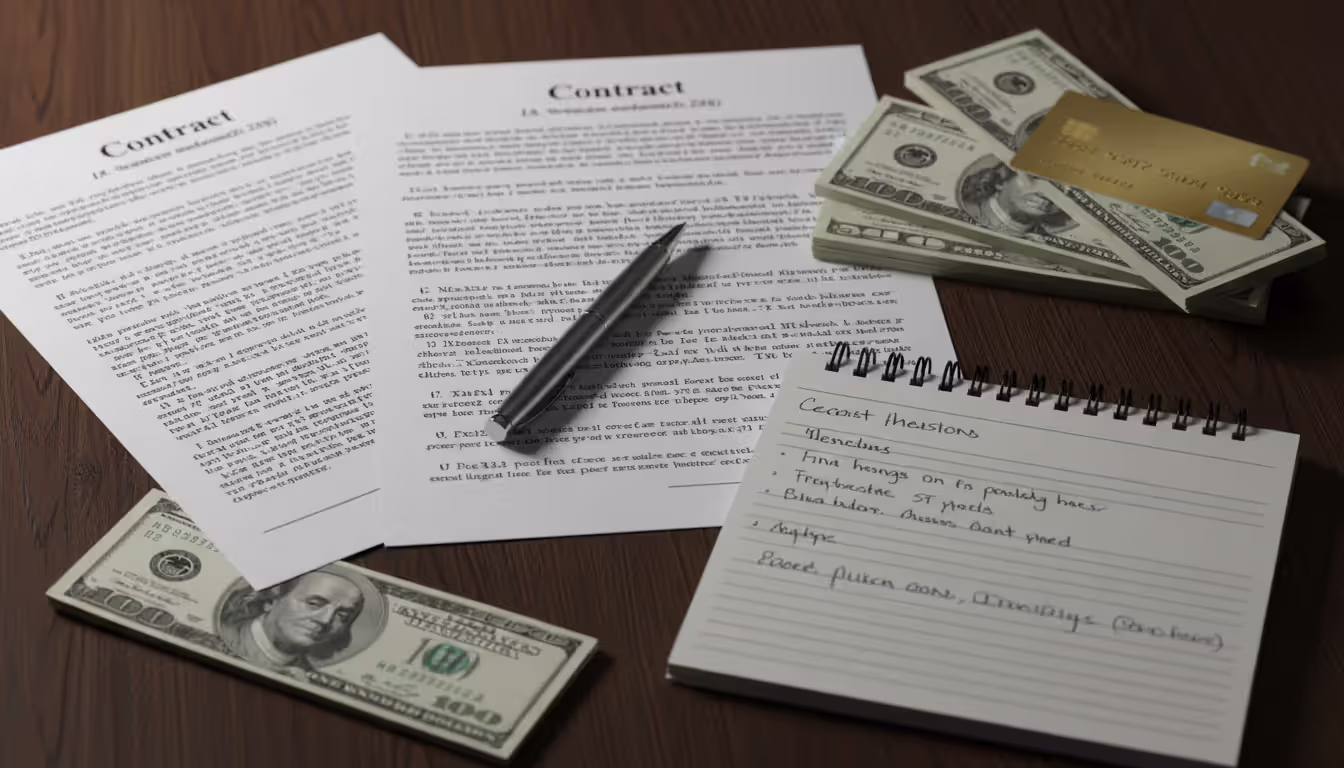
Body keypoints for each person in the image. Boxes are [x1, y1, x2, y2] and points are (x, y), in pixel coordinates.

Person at [218, 569, 365, 672]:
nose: (325, 620)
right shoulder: (222, 636)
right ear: (272, 600)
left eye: (342, 615)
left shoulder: (308, 675)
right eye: (314, 603)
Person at [957, 156, 1076, 237]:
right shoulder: (963, 214)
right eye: (1035, 178)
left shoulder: (1044, 238)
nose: (1046, 192)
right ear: (1001, 180)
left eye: (1060, 187)